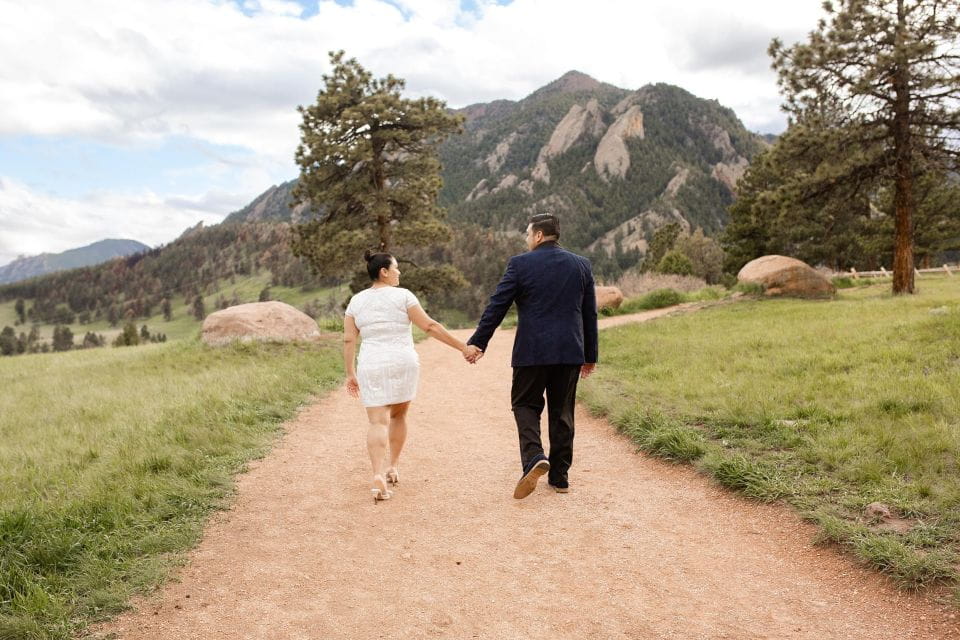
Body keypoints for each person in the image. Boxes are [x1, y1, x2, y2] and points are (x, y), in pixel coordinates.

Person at [465, 213, 598, 499]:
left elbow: (497, 305)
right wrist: (590, 355)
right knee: (563, 412)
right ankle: (560, 477)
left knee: (525, 404)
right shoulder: (581, 265)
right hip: (569, 351)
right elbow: (590, 314)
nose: (527, 239)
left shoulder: (520, 264)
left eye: (528, 234)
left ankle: (535, 456)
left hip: (531, 351)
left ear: (538, 235)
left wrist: (479, 342)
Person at [343, 250, 475, 502]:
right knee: (399, 415)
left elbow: (349, 338)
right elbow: (429, 326)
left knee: (377, 422)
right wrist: (462, 347)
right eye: (396, 268)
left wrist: (350, 373)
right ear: (384, 271)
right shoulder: (404, 296)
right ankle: (393, 465)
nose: (399, 272)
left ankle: (377, 474)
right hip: (403, 362)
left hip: (371, 364)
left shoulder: (356, 301)